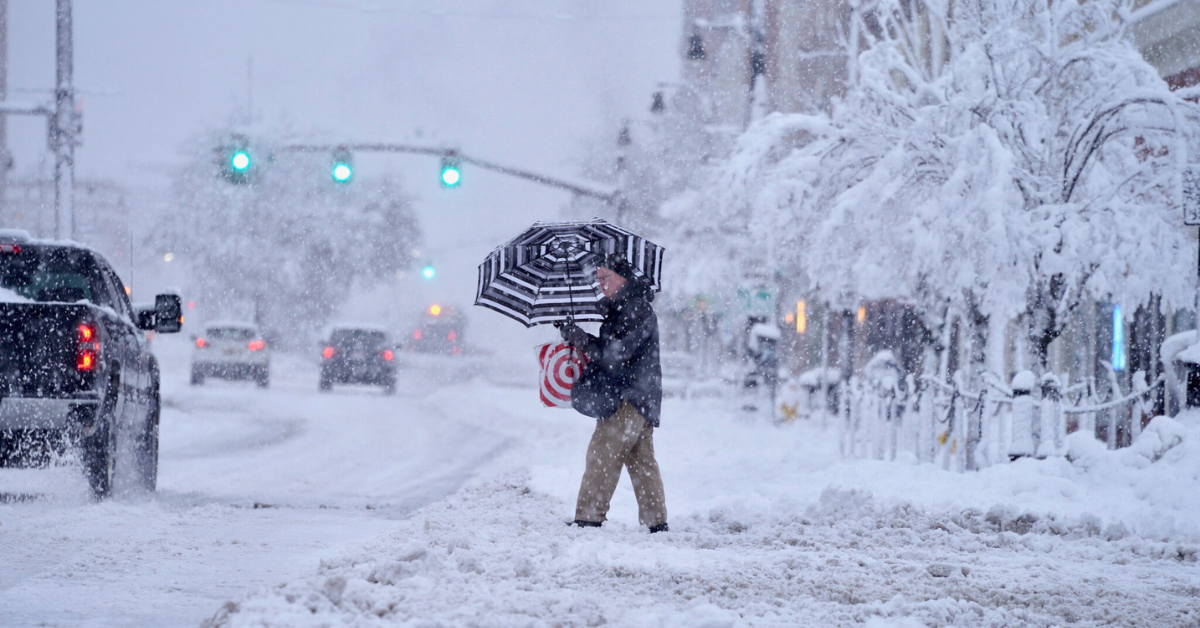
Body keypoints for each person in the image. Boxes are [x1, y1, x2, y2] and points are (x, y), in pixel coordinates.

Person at [558, 256, 667, 533]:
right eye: (598, 278)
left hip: (627, 397)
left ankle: (588, 518)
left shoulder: (634, 310)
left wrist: (581, 339)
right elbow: (612, 351)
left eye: (606, 277)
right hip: (641, 396)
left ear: (624, 277)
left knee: (602, 454)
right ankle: (656, 523)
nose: (601, 284)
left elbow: (614, 356)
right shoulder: (625, 309)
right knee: (642, 462)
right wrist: (577, 335)